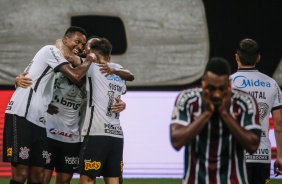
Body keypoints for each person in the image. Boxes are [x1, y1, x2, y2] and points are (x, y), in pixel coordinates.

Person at [15, 38, 134, 184]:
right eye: (84, 48)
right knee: (42, 177)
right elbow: (58, 52)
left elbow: (121, 83)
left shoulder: (92, 71)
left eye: (87, 48)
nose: (85, 50)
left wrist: (122, 103)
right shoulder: (62, 67)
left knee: (68, 179)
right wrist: (19, 80)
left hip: (74, 136)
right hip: (49, 131)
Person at [2, 26, 97, 184]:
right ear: (65, 40)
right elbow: (75, 76)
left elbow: (32, 76)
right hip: (22, 114)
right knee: (21, 172)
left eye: (82, 44)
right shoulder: (50, 50)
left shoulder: (60, 60)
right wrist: (89, 60)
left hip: (39, 120)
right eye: (77, 41)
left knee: (37, 174)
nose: (79, 46)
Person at [170, 57, 261, 184]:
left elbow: (253, 145)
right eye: (211, 88)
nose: (217, 94)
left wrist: (225, 113)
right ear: (203, 82)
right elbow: (176, 141)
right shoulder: (187, 100)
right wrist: (207, 113)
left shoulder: (244, 102)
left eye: (222, 88)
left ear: (229, 85)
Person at [230, 38, 282, 184]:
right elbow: (279, 122)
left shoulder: (227, 83)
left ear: (237, 57)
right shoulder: (271, 84)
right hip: (262, 153)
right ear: (258, 58)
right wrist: (280, 156)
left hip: (235, 155)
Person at [78, 37, 127, 184]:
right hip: (116, 135)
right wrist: (123, 104)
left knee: (87, 180)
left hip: (96, 133)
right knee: (114, 181)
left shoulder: (91, 68)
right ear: (110, 57)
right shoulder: (119, 72)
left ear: (91, 55)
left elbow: (69, 59)